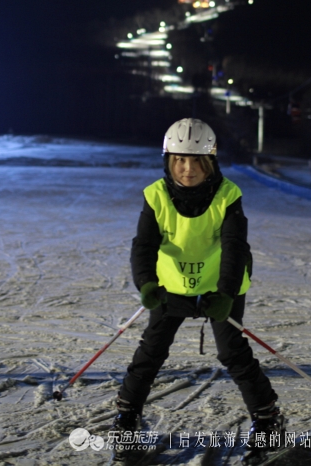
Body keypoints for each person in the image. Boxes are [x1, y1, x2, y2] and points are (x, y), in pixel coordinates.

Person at [112, 118, 283, 463]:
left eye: (196, 161)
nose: (187, 169)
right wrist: (146, 283)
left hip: (220, 289)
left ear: (210, 162)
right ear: (168, 161)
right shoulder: (156, 196)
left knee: (232, 353)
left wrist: (226, 293)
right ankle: (127, 419)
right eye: (179, 160)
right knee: (151, 351)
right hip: (171, 287)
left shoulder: (228, 196)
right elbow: (143, 245)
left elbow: (235, 248)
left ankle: (267, 420)